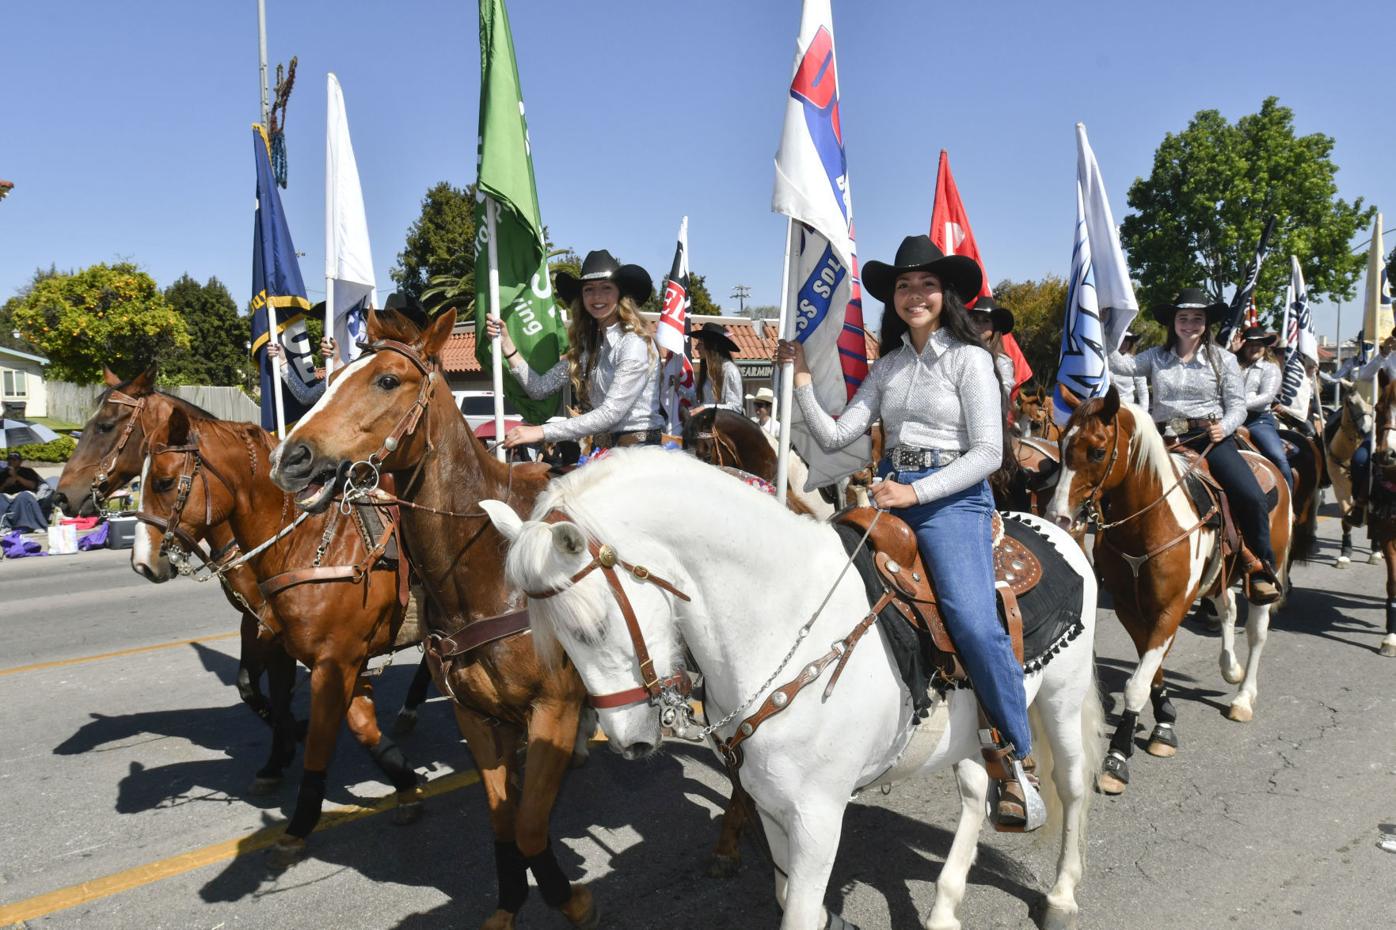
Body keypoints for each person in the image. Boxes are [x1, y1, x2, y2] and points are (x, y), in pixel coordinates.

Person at [778, 234, 1040, 830]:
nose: (914, 294)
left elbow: (989, 452)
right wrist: (798, 381)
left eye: (925, 284)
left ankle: (1016, 753)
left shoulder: (970, 359)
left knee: (972, 619)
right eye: (903, 285)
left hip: (951, 505)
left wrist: (916, 492)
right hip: (891, 497)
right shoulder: (889, 366)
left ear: (945, 293)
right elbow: (839, 434)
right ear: (891, 298)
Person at [1107, 288, 1281, 603]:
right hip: (1162, 440)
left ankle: (1260, 567)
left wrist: (1224, 428)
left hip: (1209, 439)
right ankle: (1113, 557)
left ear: (1206, 323)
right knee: (1112, 483)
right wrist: (1103, 328)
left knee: (1251, 495)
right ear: (1173, 322)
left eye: (1197, 318)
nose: (1189, 324)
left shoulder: (1224, 359)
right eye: (1183, 317)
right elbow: (1121, 366)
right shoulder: (1155, 357)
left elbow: (1238, 406)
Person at [487, 250, 663, 451]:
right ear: (582, 297)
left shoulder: (634, 343)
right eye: (588, 289)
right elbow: (539, 388)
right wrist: (507, 344)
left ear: (620, 295)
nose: (597, 296)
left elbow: (610, 414)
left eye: (606, 288)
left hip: (640, 453)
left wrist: (541, 432)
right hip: (606, 453)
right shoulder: (587, 348)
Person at [1233, 327, 1293, 488]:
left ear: (1265, 348)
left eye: (1259, 344)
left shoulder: (1270, 368)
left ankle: (1289, 500)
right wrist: (1231, 352)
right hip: (1229, 419)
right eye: (1250, 344)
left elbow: (1267, 397)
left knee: (1278, 457)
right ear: (1243, 346)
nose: (1254, 348)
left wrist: (1237, 405)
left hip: (1257, 420)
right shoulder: (1231, 364)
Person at [685, 323, 744, 412]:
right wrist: (680, 389)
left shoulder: (730, 371)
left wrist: (705, 408)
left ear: (712, 346)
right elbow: (700, 402)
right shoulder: (707, 371)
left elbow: (736, 407)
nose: (696, 348)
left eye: (700, 343)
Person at [967, 296, 1017, 399]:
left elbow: (1002, 397)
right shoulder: (960, 352)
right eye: (976, 320)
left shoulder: (1002, 361)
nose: (979, 325)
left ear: (994, 326)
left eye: (986, 321)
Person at [0, 451, 50, 532]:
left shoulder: (27, 471)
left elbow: (33, 485)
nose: (11, 461)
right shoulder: (3, 473)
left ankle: (30, 526)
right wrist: (5, 484)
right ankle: (4, 526)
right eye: (9, 459)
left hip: (24, 494)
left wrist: (16, 477)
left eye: (14, 460)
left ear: (20, 461)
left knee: (23, 497)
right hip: (7, 496)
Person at [1113, 331, 1151, 412]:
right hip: (1108, 407)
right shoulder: (1106, 361)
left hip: (1128, 408)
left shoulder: (1135, 362)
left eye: (1127, 340)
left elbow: (1142, 389)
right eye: (1122, 340)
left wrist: (1144, 412)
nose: (1124, 343)